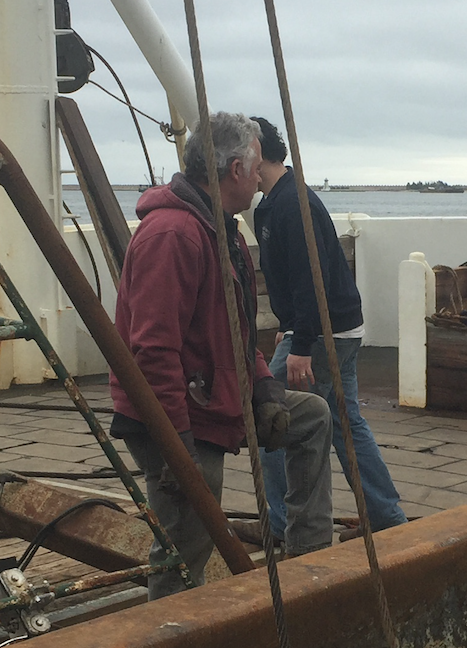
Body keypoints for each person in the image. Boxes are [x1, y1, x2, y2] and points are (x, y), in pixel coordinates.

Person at [111, 112, 334, 598]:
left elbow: (234, 331)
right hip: (173, 415)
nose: (260, 180)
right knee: (188, 537)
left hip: (212, 397)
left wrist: (265, 388)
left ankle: (309, 571)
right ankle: (171, 630)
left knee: (311, 416)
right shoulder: (174, 236)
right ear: (236, 170)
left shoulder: (224, 233)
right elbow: (152, 352)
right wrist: (180, 447)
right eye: (256, 169)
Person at [249, 117, 407, 539]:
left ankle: (284, 526)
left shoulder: (290, 204)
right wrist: (291, 327)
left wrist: (301, 342)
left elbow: (308, 276)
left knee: (269, 416)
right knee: (343, 422)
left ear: (255, 154)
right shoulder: (277, 202)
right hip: (336, 329)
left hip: (321, 336)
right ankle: (386, 516)